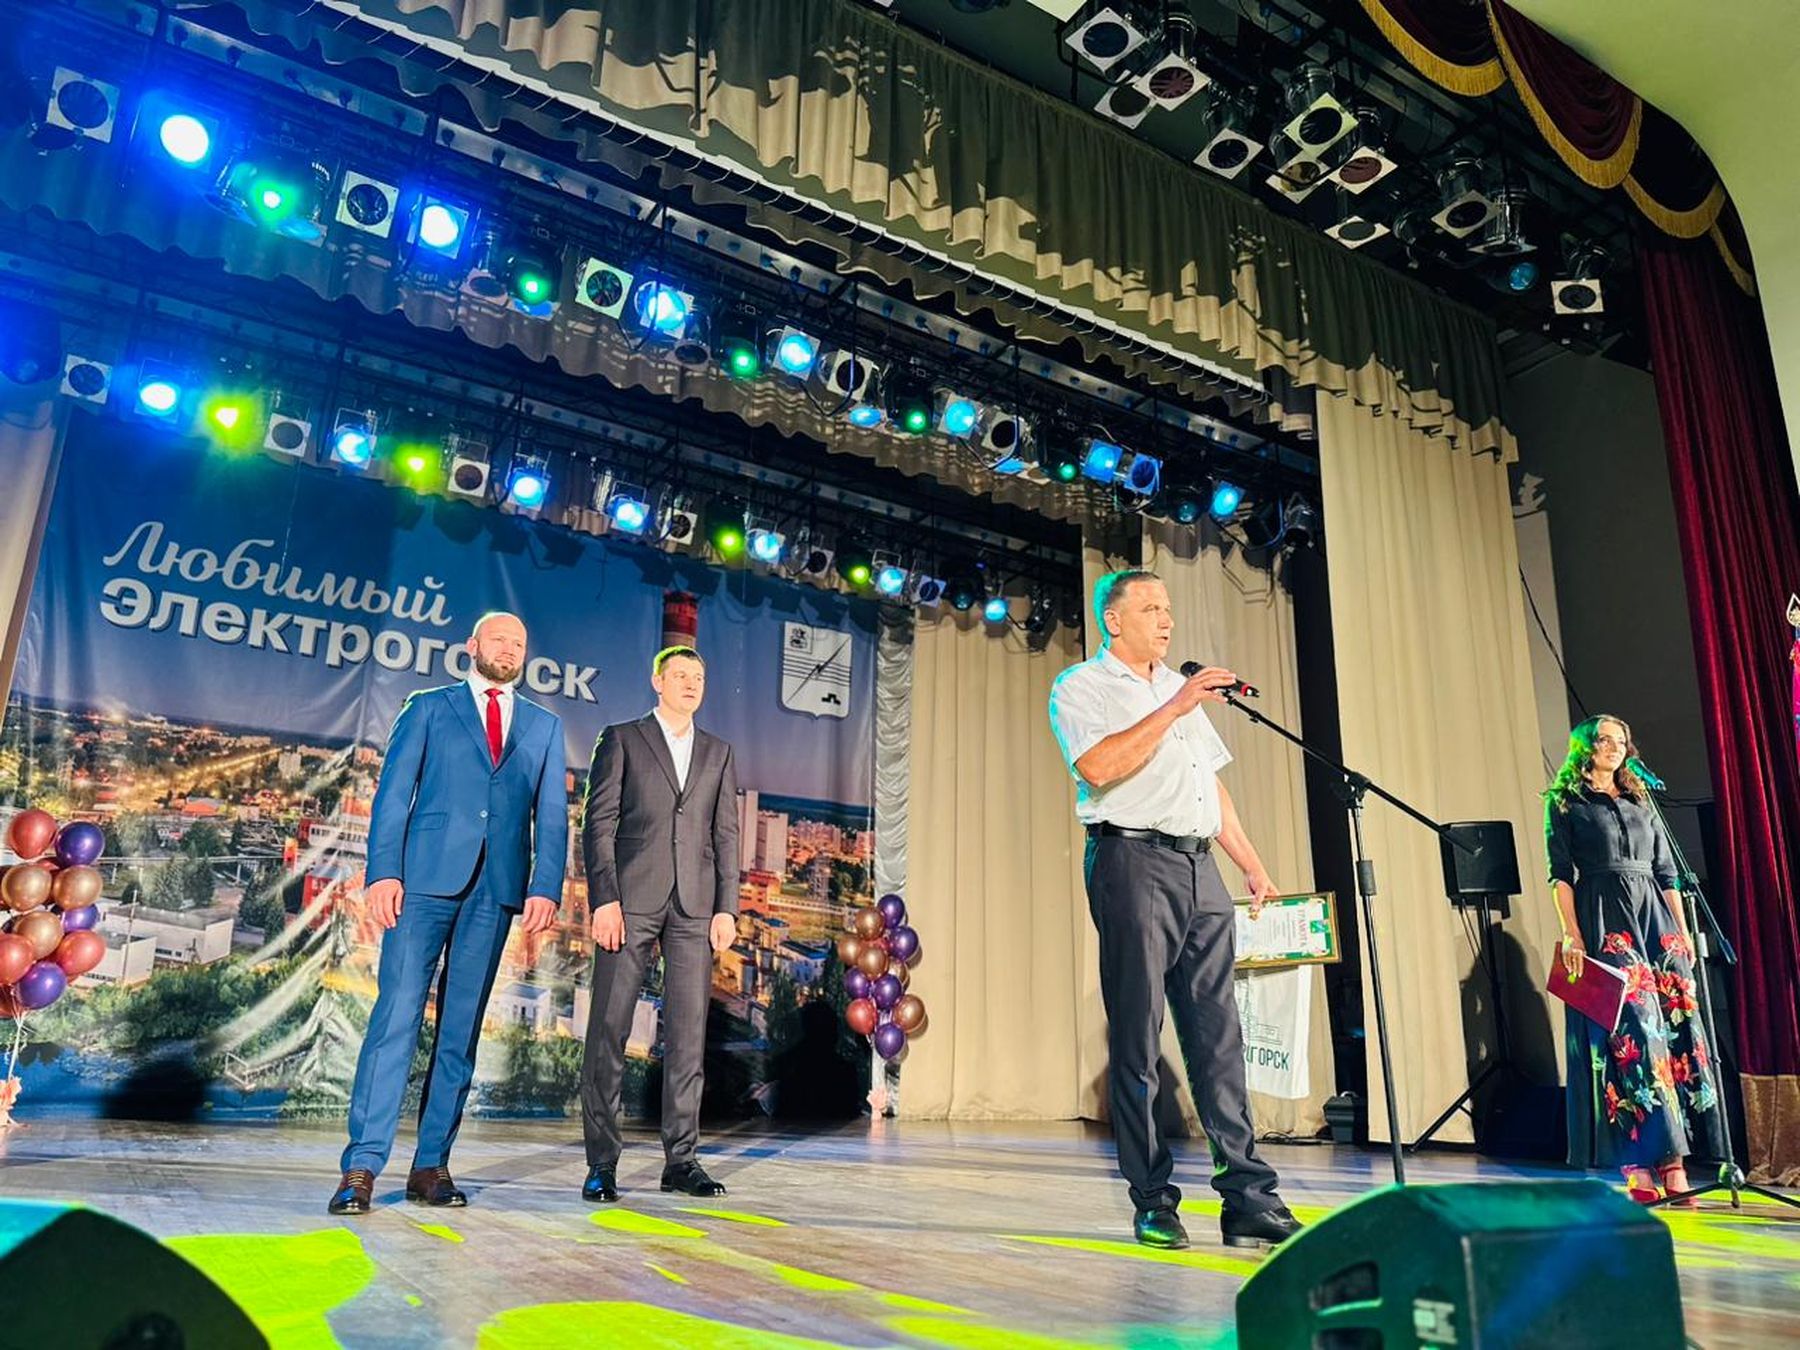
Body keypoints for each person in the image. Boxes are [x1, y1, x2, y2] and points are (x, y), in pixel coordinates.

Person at [1048, 568, 1302, 1251]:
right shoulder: (1082, 686)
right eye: (1151, 608)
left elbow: (1208, 784)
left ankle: (1248, 1199)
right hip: (1131, 861)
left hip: (1200, 867)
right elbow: (1099, 767)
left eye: (1168, 608)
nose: (1166, 620)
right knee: (1139, 1036)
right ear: (1114, 620)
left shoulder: (1173, 688)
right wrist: (1177, 705)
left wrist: (1251, 863)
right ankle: (1153, 1199)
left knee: (1220, 1038)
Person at [329, 611, 568, 1215]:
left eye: (519, 642)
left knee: (460, 1031)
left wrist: (545, 885)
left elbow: (552, 816)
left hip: (496, 891)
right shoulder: (429, 708)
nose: (509, 649)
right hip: (421, 883)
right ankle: (362, 1166)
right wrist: (384, 872)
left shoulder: (544, 727)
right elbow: (392, 795)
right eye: (499, 639)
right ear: (472, 646)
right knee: (396, 1020)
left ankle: (431, 1164)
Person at [578, 646, 740, 1202]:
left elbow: (726, 834)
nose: (691, 684)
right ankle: (602, 1163)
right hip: (630, 902)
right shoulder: (622, 738)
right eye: (681, 675)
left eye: (699, 676)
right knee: (609, 1031)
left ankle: (682, 1161)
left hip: (695, 907)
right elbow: (598, 824)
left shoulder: (719, 752)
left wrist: (726, 907)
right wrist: (604, 899)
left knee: (689, 1038)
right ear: (657, 681)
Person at [1545, 714, 1721, 1205]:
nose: (1614, 747)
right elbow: (1560, 874)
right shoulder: (1566, 802)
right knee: (1633, 1036)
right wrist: (1572, 933)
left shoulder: (1642, 800)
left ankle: (1675, 1162)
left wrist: (1681, 934)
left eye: (1621, 741)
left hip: (1656, 923)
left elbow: (1667, 873)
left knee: (1677, 1032)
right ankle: (1638, 1162)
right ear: (1584, 747)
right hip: (1606, 918)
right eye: (1604, 740)